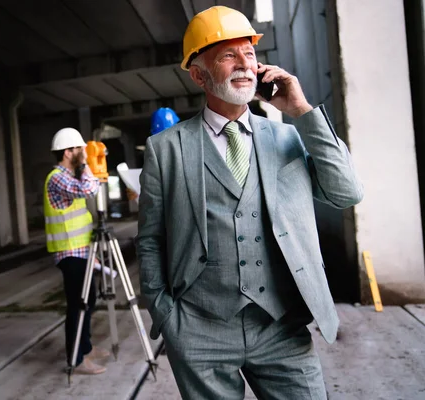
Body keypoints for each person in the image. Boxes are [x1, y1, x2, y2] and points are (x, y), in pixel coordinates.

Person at [136, 5, 363, 399]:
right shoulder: (165, 150)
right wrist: (166, 314)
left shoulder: (288, 136)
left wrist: (301, 111)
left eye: (250, 54)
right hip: (199, 330)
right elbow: (151, 239)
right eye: (228, 55)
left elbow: (347, 193)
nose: (245, 64)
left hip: (281, 327)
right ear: (198, 74)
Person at [44, 127, 110, 375]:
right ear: (68, 152)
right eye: (79, 150)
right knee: (78, 304)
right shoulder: (58, 177)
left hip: (81, 250)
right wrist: (88, 166)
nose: (83, 153)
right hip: (69, 253)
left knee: (89, 300)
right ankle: (76, 359)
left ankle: (86, 347)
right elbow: (89, 190)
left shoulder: (70, 175)